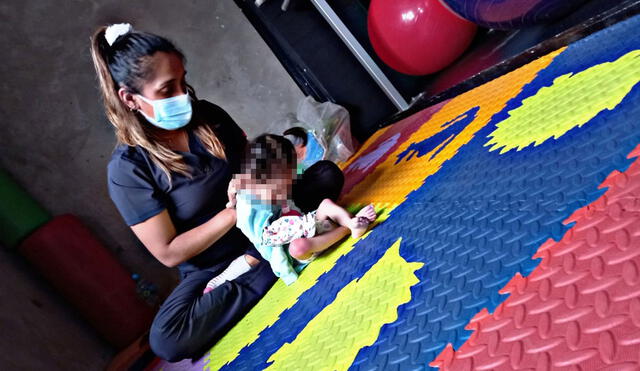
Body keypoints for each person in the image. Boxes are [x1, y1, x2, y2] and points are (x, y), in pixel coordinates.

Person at [90, 23, 350, 361]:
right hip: (212, 264)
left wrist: (280, 162)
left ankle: (272, 254)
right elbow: (169, 252)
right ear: (130, 99)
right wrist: (234, 212)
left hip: (267, 218)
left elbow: (256, 168)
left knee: (326, 174)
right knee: (168, 339)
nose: (182, 96)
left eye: (183, 82)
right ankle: (275, 258)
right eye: (167, 89)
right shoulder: (128, 170)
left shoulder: (208, 115)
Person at [203, 135, 375, 291]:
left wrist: (306, 218)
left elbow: (294, 191)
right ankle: (346, 229)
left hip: (306, 220)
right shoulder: (252, 209)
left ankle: (351, 222)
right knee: (299, 247)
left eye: (290, 176)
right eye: (284, 182)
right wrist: (301, 225)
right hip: (295, 241)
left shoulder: (273, 182)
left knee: (326, 199)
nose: (288, 183)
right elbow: (271, 237)